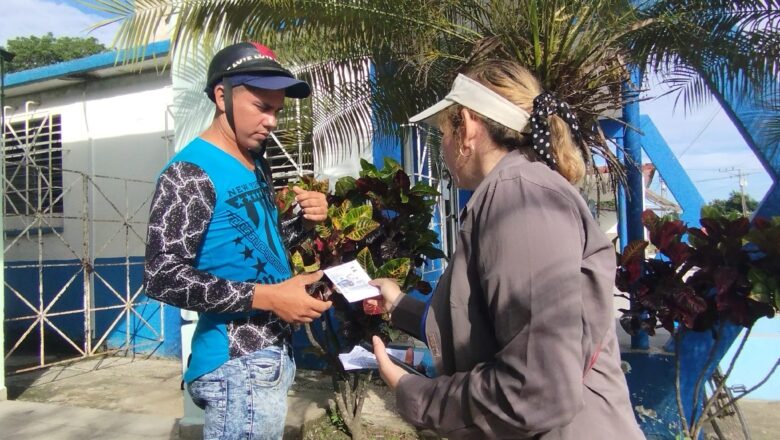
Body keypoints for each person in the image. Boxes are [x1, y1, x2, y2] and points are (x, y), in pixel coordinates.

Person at [367, 60, 645, 439]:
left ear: (466, 126)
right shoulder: (517, 187)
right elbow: (497, 324)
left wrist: (415, 393)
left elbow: (535, 390)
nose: (443, 148)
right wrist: (399, 305)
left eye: (442, 134)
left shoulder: (518, 193)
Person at [143, 42, 332, 440]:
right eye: (262, 107)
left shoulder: (254, 164)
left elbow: (263, 245)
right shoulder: (189, 174)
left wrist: (307, 222)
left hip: (267, 358)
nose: (272, 122)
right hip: (236, 362)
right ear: (221, 96)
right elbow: (162, 276)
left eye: (277, 110)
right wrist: (270, 298)